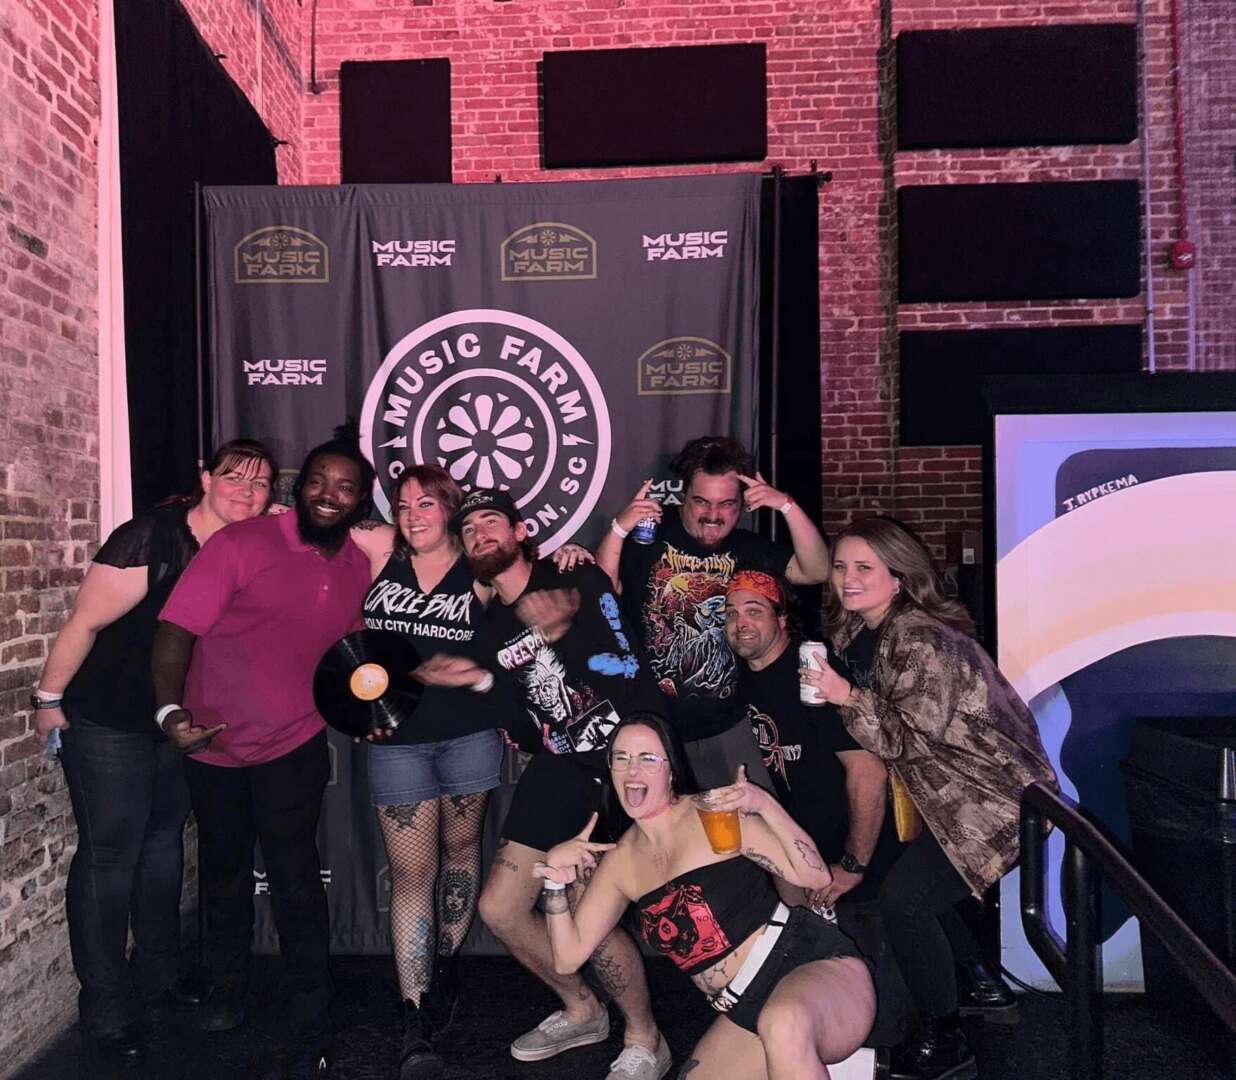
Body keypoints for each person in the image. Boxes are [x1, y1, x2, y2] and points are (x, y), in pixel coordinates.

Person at [31, 439, 276, 1067]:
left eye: (260, 483)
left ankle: (161, 975)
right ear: (205, 478)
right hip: (109, 718)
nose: (247, 492)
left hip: (176, 722)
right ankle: (106, 1008)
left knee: (164, 846)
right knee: (110, 857)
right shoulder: (153, 536)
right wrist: (48, 699)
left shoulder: (249, 543)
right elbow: (84, 621)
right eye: (234, 478)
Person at [416, 488, 671, 1080]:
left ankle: (645, 1036)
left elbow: (625, 664)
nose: (480, 533)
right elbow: (527, 728)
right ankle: (583, 1009)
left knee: (588, 912)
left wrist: (560, 634)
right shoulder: (490, 629)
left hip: (624, 757)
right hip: (561, 766)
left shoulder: (575, 576)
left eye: (491, 521)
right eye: (469, 529)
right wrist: (479, 681)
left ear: (521, 531)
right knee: (500, 907)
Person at [800, 516, 1058, 1080]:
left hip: (992, 800)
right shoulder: (864, 629)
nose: (847, 578)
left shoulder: (921, 639)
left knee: (905, 901)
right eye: (841, 567)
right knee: (912, 887)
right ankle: (982, 988)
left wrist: (845, 696)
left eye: (864, 568)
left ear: (899, 576)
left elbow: (906, 736)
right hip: (950, 794)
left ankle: (944, 1041)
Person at [151, 433, 376, 1079]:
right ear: (297, 487)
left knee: (295, 874)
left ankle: (311, 1001)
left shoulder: (355, 566)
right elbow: (176, 629)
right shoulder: (240, 544)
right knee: (223, 872)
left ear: (360, 502)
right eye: (318, 480)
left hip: (294, 742)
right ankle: (226, 989)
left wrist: (370, 713)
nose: (328, 494)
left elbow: (351, 656)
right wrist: (170, 714)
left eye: (345, 487)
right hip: (214, 741)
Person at [534, 713, 876, 1080]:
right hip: (744, 1007)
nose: (633, 770)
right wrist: (555, 880)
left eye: (648, 758)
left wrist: (765, 805)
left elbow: (815, 876)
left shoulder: (713, 814)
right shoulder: (619, 862)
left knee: (784, 1025)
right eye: (622, 757)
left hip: (811, 967)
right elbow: (567, 958)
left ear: (671, 770)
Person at [596, 436, 830, 788]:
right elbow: (600, 592)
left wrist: (786, 505)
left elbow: (817, 570)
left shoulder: (748, 549)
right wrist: (618, 528)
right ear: (683, 496)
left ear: (743, 504)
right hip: (652, 728)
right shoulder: (649, 535)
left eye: (726, 504)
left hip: (727, 727)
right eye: (701, 501)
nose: (713, 515)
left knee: (751, 818)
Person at [724, 570, 899, 909]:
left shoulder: (813, 671)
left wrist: (853, 866)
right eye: (731, 613)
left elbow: (869, 773)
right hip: (806, 865)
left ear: (782, 619)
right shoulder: (739, 680)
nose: (740, 623)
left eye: (754, 611)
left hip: (858, 867)